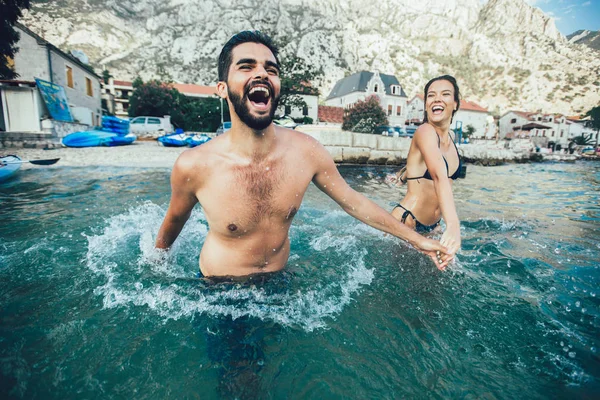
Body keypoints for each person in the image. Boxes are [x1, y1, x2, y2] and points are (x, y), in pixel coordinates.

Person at [155, 31, 451, 277]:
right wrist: (156, 266)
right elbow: (173, 222)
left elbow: (355, 203)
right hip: (220, 288)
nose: (261, 73)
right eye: (246, 66)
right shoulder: (195, 165)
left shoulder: (306, 151)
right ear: (222, 88)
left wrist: (418, 240)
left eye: (271, 69)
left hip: (280, 282)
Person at [388, 75, 463, 255]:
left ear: (455, 104)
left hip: (433, 226)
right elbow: (438, 175)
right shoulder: (424, 131)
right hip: (407, 221)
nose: (437, 99)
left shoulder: (452, 138)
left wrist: (400, 177)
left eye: (445, 94)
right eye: (431, 95)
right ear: (426, 104)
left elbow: (419, 167)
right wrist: (453, 225)